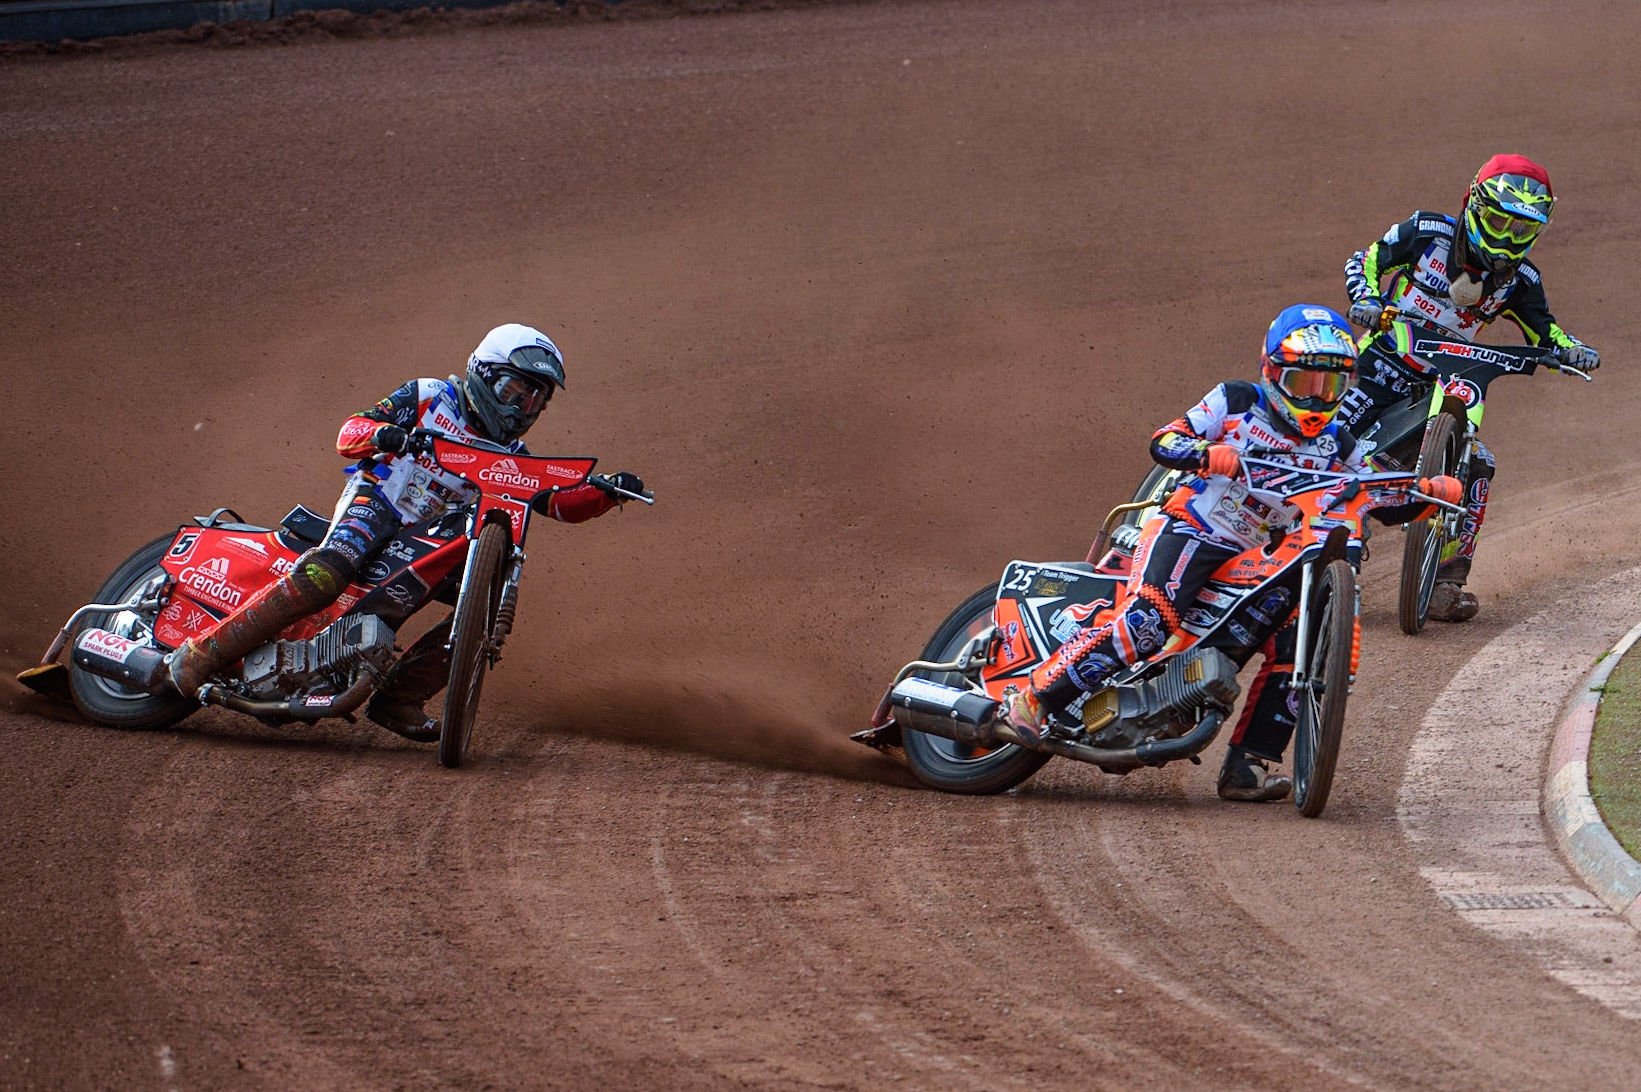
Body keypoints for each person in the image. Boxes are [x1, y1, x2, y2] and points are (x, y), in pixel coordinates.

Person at [999, 305, 1461, 800]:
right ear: (1271, 371)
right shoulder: (1236, 400)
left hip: (1264, 555)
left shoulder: (1338, 442)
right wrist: (1204, 453)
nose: (1315, 398)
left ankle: (1247, 768)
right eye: (1303, 383)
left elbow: (1375, 497)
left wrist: (1427, 492)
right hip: (1195, 528)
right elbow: (1165, 439)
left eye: (1329, 388)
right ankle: (1035, 699)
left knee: (1292, 644)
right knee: (1150, 621)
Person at [164, 323, 645, 740]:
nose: (524, 406)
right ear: (484, 372)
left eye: (536, 397)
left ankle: (398, 697)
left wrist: (606, 492)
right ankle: (200, 658)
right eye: (515, 391)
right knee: (326, 575)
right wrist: (385, 435)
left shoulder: (515, 455)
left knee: (486, 604)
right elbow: (349, 430)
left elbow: (555, 504)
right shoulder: (430, 395)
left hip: (423, 538)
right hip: (378, 501)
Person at [1341, 154, 1599, 621]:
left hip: (1441, 383)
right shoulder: (1427, 234)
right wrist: (1367, 298)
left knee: (1478, 464)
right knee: (1332, 439)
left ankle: (1443, 582)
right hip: (1379, 364)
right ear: (1474, 204)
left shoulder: (1520, 282)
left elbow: (1548, 334)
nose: (1506, 239)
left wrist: (1572, 350)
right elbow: (1369, 258)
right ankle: (1317, 548)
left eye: (1521, 230)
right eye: (1500, 222)